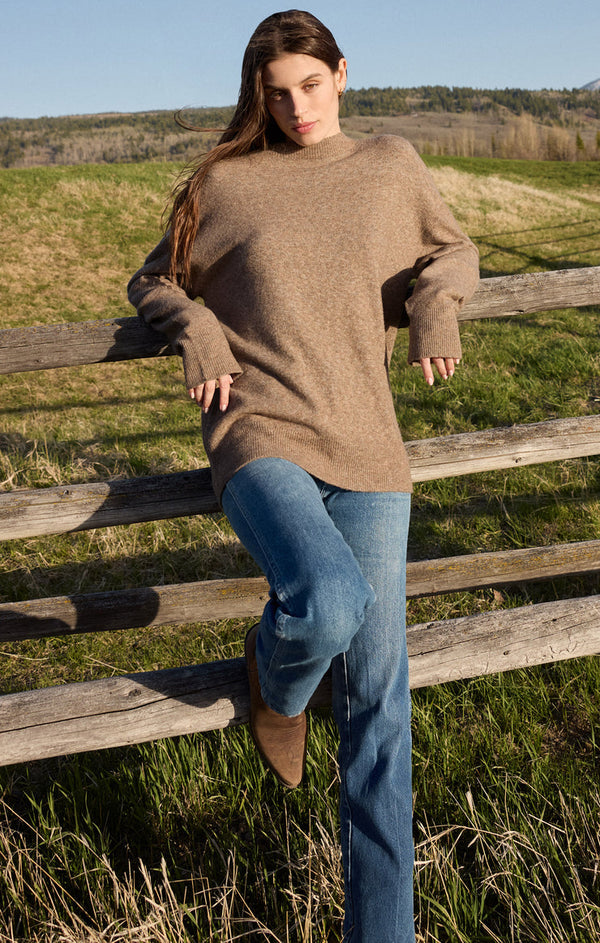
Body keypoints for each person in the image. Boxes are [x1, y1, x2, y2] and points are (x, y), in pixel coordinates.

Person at [128, 9, 479, 941]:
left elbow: (453, 250)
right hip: (257, 432)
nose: (295, 107)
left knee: (380, 714)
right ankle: (276, 686)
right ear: (257, 95)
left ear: (342, 75)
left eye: (311, 86)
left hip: (368, 443)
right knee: (326, 599)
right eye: (275, 93)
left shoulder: (391, 165)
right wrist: (196, 325)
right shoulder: (224, 182)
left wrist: (436, 308)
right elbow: (155, 280)